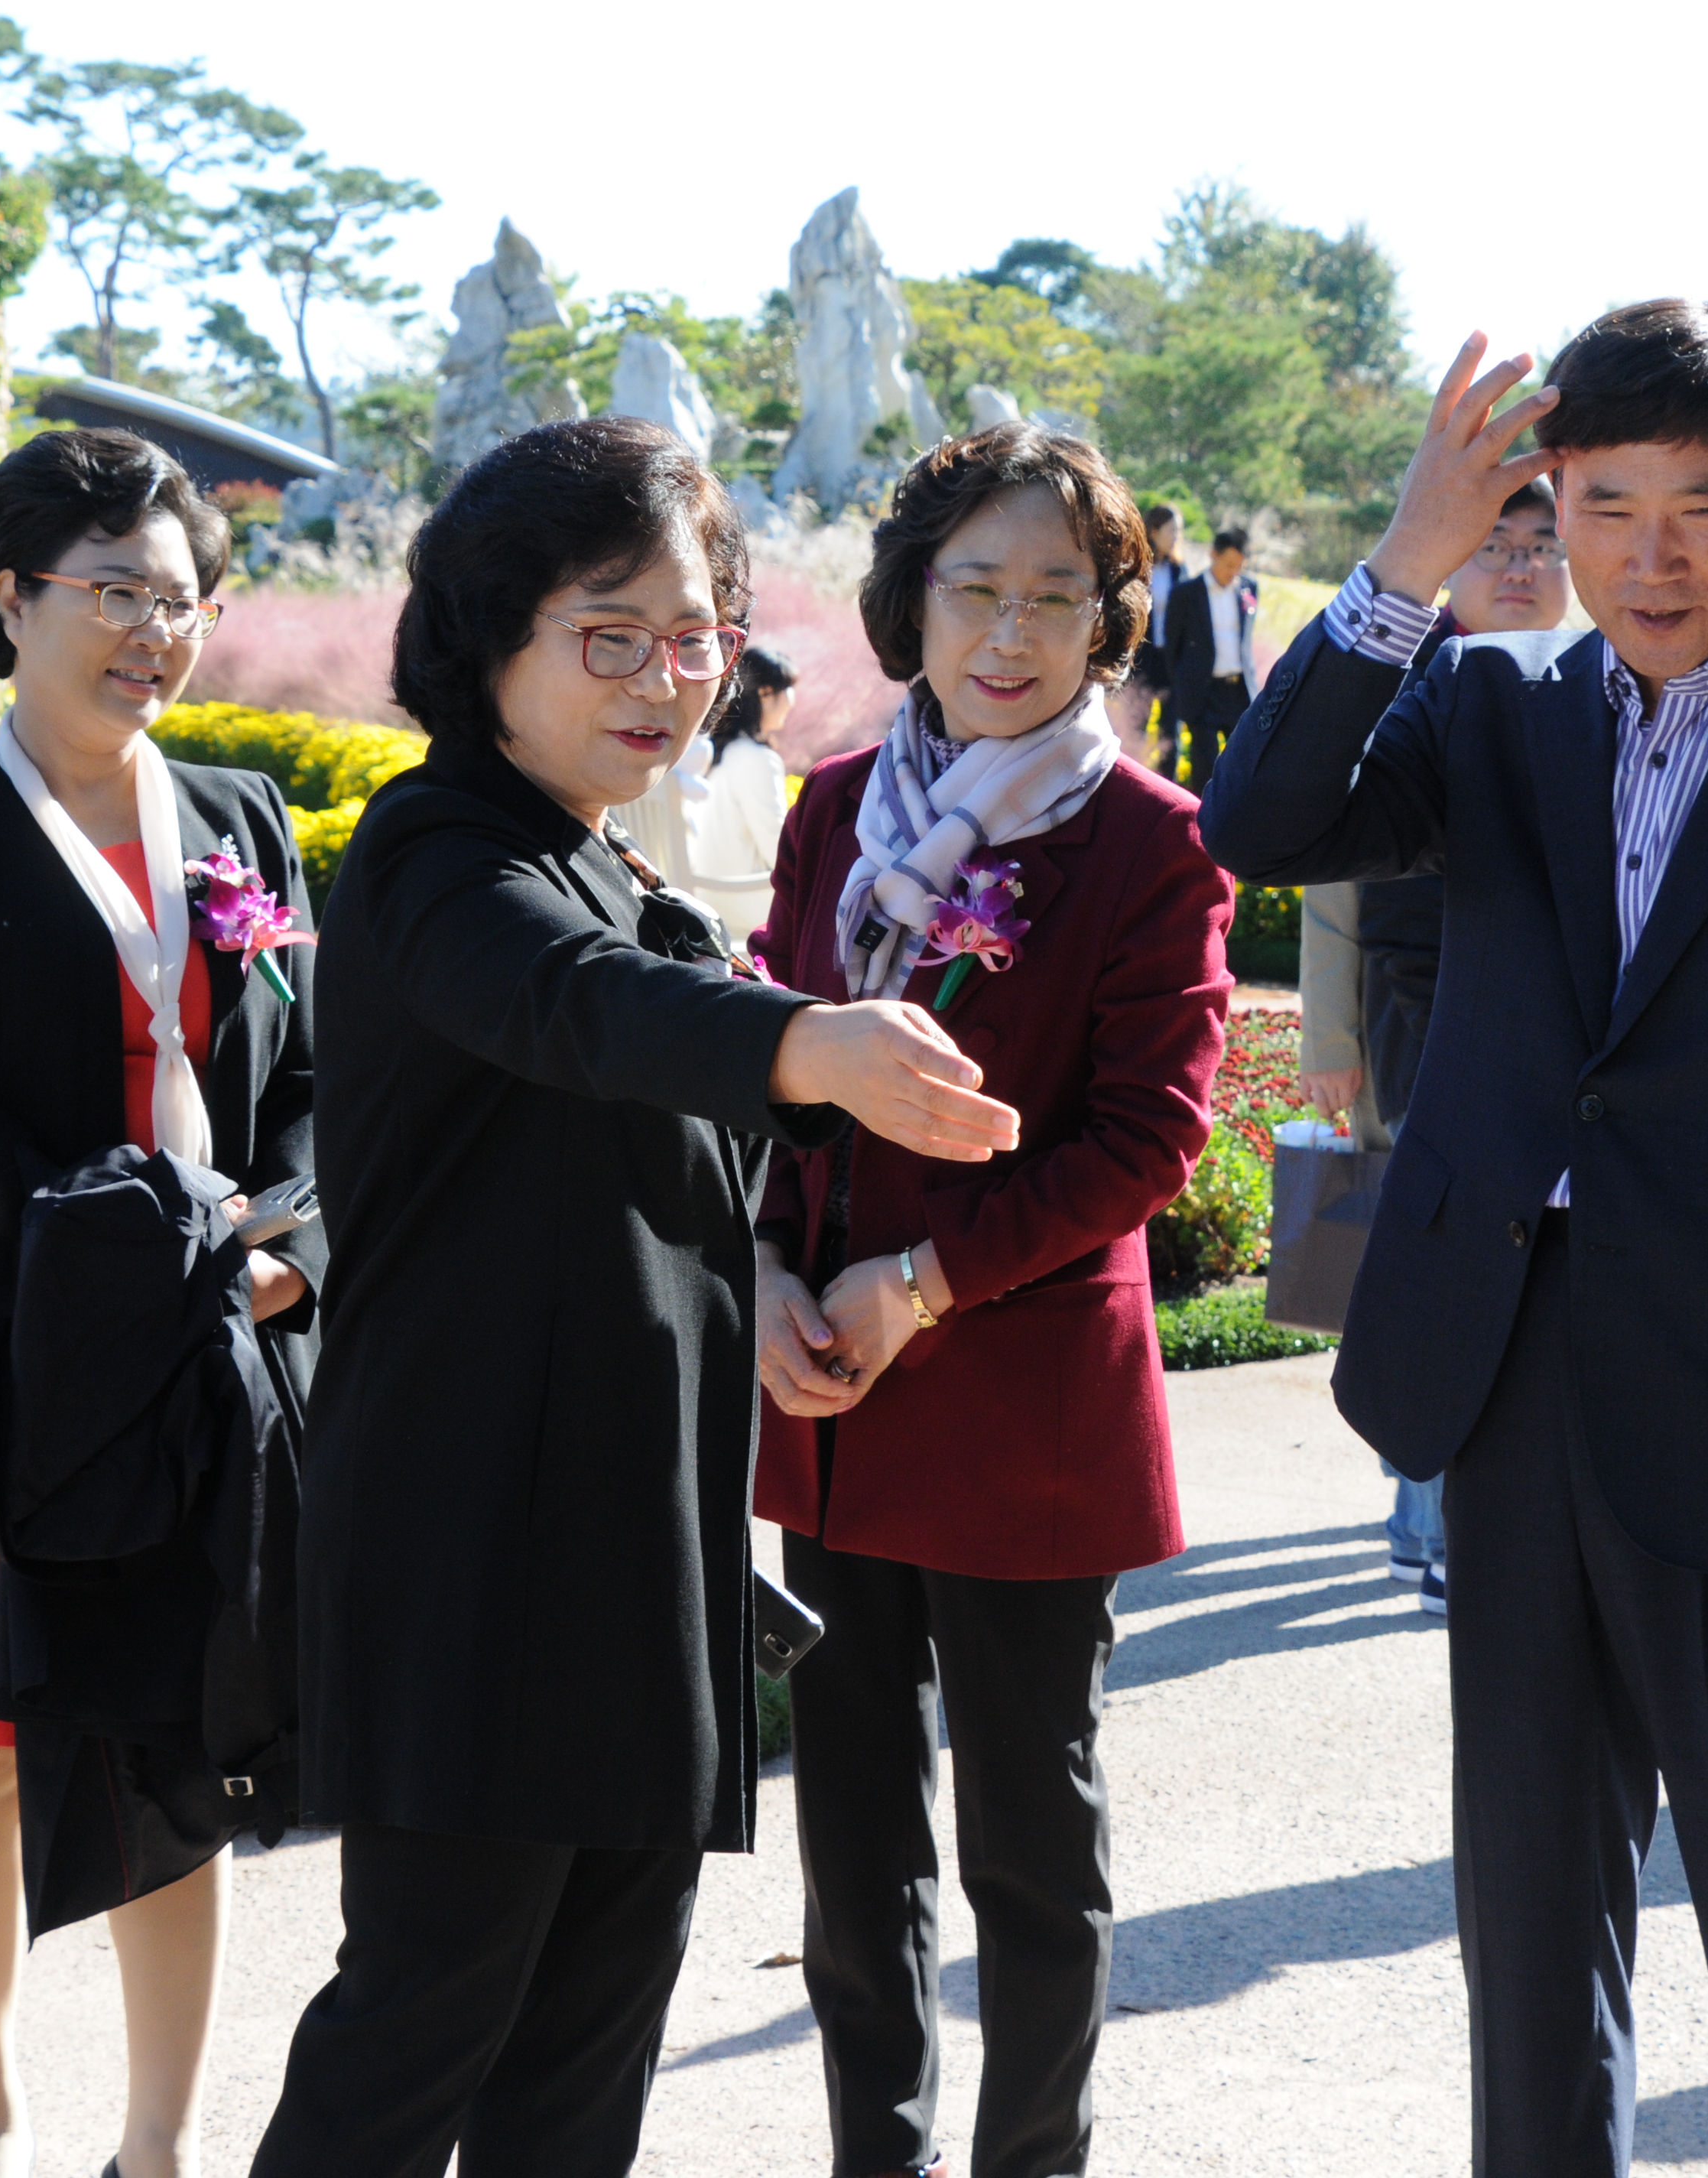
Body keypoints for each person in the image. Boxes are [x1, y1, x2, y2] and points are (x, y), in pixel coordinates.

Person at [1203, 305, 1708, 2176]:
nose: (1652, 552)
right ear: (1548, 507)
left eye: (1703, 504)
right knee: (1524, 1906)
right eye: (1604, 502)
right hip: (1506, 1375)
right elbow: (1259, 818)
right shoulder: (1489, 707)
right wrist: (1408, 560)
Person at [251, 417, 1022, 2178]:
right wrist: (808, 1040)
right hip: (470, 1561)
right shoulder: (442, 857)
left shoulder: (611, 865)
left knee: (587, 2053)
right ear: (485, 636)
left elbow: (635, 1147)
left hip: (633, 1551)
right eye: (612, 632)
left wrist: (765, 1277)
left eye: (697, 635)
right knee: (424, 2016)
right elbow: (576, 1007)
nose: (668, 679)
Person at [0, 427, 326, 2178]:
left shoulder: (240, 818)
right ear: (13, 599)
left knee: (169, 1763)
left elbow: (319, 1085)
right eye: (111, 594)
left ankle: (157, 2142)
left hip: (211, 1360)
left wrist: (288, 1246)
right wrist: (137, 1263)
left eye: (176, 601)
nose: (147, 632)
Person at [750, 422, 1232, 2178]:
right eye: (974, 588)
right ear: (913, 601)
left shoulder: (1149, 839)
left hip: (1019, 1405)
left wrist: (921, 1278)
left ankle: (1031, 2158)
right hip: (828, 1403)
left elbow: (1148, 1135)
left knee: (1033, 1844)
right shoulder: (825, 813)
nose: (1009, 633)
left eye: (1053, 593)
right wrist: (763, 1272)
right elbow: (761, 1064)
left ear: (1108, 615)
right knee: (850, 1842)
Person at [1286, 476, 1572, 1615]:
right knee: (1431, 1271)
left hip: (1559, 1049)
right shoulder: (1407, 687)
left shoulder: (1616, 688)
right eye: (1493, 543)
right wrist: (1331, 1033)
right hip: (1415, 1011)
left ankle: (1451, 1518)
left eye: (1542, 544)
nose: (1518, 566)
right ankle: (1428, 1524)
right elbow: (1330, 884)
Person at [681, 642, 798, 934]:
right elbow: (778, 849)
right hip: (743, 900)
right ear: (766, 694)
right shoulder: (758, 759)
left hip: (705, 895)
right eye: (788, 689)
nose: (793, 699)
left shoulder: (720, 751)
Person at [1161, 526, 1261, 794]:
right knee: (1204, 765)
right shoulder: (1185, 594)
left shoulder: (1250, 589)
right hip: (1202, 692)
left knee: (1244, 761)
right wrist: (1184, 685)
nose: (1233, 573)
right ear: (1213, 555)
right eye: (1228, 565)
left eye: (1239, 567)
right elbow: (1173, 648)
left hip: (1239, 690)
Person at [1130, 502, 1189, 762]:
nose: (1176, 537)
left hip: (1171, 660)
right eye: (1171, 530)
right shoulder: (1137, 569)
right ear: (1153, 532)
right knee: (1136, 727)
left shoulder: (1180, 571)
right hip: (1143, 657)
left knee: (1171, 734)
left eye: (1179, 531)